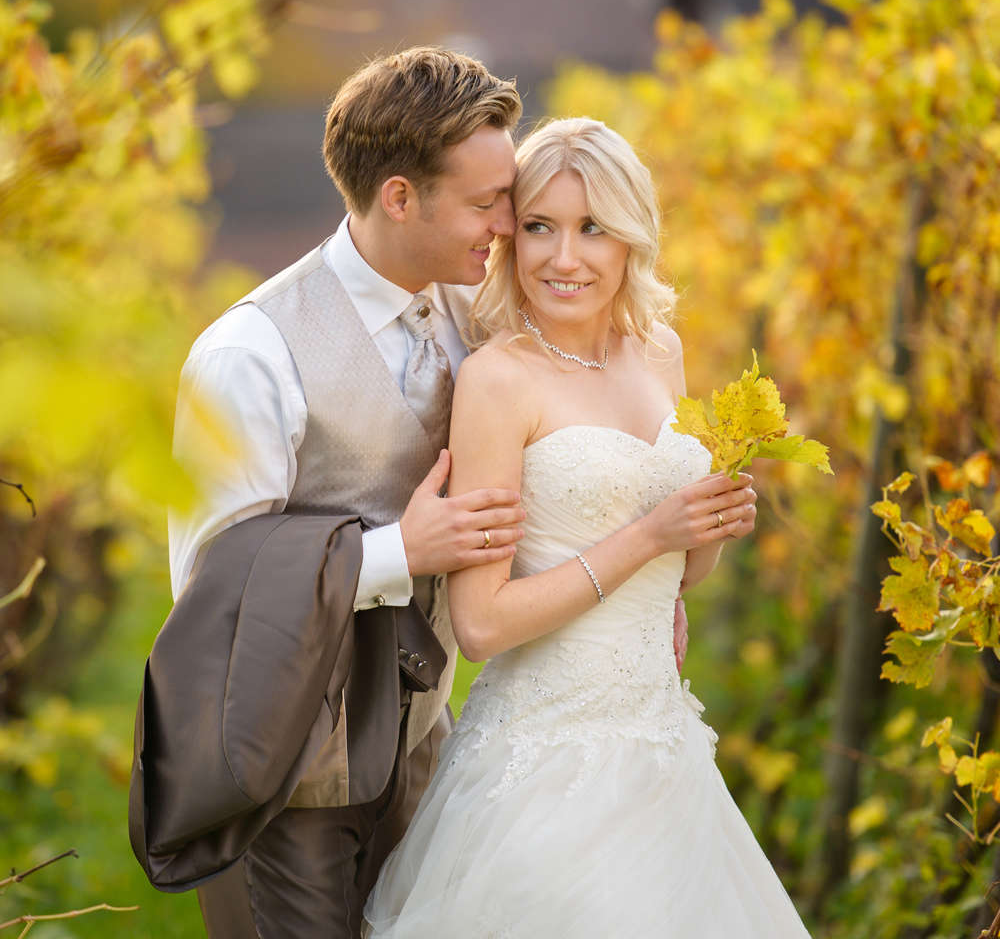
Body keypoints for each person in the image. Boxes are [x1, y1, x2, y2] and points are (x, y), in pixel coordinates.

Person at [362, 118, 812, 937]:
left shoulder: (660, 352)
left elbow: (682, 576)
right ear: (510, 234)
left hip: (663, 755)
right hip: (545, 764)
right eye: (539, 226)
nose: (562, 258)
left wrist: (706, 525)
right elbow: (483, 623)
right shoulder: (500, 381)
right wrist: (650, 533)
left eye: (592, 229)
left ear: (631, 238)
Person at [167, 48, 529, 939]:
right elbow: (216, 591)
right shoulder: (247, 355)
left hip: (425, 744)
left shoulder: (473, 320)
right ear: (400, 197)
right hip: (287, 765)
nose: (509, 226)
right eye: (487, 204)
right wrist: (404, 553)